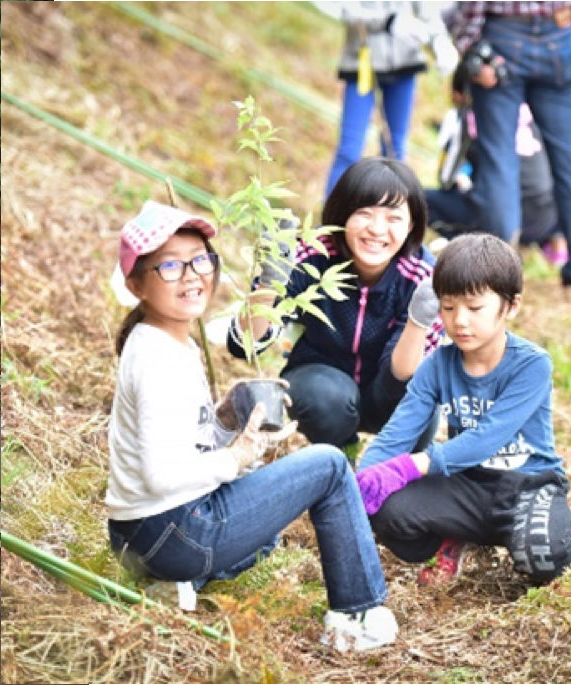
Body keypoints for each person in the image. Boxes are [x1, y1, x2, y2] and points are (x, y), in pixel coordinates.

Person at [108, 200, 397, 652]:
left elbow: (182, 446)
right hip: (175, 530)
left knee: (265, 536)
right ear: (135, 285)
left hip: (139, 537)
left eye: (199, 260)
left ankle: (172, 584)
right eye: (169, 266)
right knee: (329, 467)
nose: (191, 275)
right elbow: (160, 476)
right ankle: (357, 612)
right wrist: (236, 457)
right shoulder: (157, 359)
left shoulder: (165, 339)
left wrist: (224, 420)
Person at [356, 233, 571, 586]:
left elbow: (487, 437)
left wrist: (412, 465)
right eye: (448, 307)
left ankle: (527, 534)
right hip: (466, 486)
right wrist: (364, 480)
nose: (459, 322)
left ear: (510, 306)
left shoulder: (532, 365)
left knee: (544, 558)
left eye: (474, 308)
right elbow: (399, 432)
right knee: (385, 511)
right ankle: (450, 538)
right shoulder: (437, 365)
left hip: (526, 487)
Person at [227, 158, 444, 450]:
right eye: (364, 214)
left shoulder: (424, 278)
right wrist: (269, 283)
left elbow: (400, 381)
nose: (378, 230)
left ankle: (396, 476)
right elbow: (245, 346)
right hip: (322, 380)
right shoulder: (312, 254)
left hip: (387, 390)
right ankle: (342, 457)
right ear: (342, 215)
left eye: (393, 218)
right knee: (323, 396)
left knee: (421, 404)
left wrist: (420, 318)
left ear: (411, 226)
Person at [451, 3, 571, 290]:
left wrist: (470, 46)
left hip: (503, 36)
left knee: (498, 162)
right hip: (560, 32)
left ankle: (498, 279)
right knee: (568, 161)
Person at [427, 65, 567, 262]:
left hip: (501, 224)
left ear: (460, 94)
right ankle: (554, 240)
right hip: (547, 218)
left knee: (421, 199)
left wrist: (463, 180)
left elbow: (446, 178)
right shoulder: (531, 111)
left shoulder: (469, 116)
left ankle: (467, 246)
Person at [317, 2, 458, 196]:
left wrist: (439, 41)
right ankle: (330, 221)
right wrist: (387, 22)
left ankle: (393, 212)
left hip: (405, 66)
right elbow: (343, 10)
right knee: (350, 149)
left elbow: (428, 13)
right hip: (361, 65)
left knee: (395, 150)